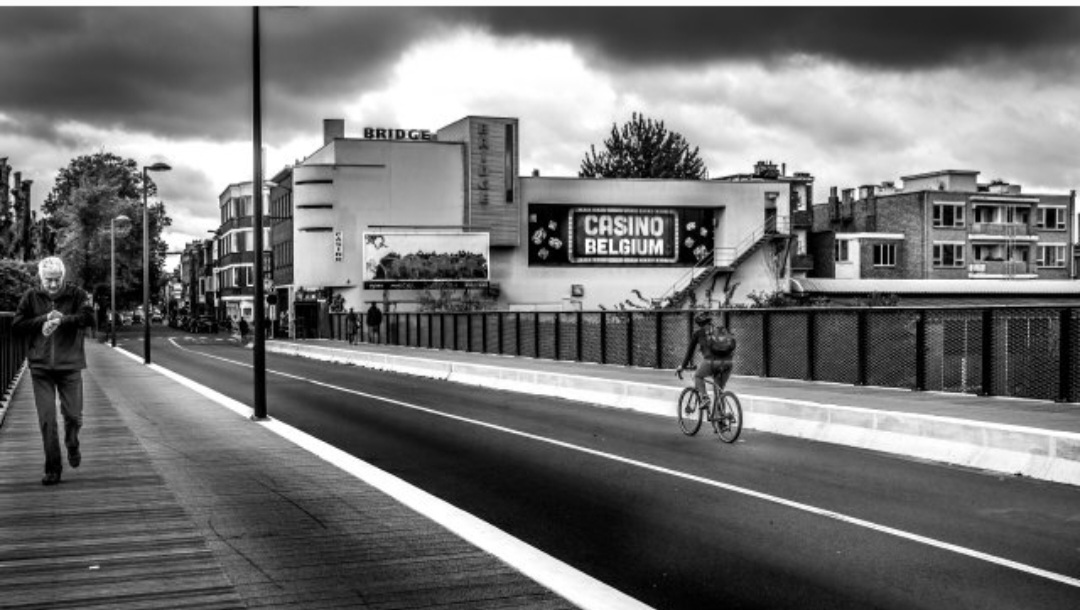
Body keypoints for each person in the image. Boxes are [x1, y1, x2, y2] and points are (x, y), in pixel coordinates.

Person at [13, 257, 95, 486]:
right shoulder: (30, 297)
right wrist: (43, 319)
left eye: (57, 279)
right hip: (40, 367)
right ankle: (53, 468)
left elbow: (89, 318)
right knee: (47, 419)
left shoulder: (77, 294)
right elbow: (17, 325)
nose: (52, 285)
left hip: (70, 366)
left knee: (73, 416)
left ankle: (72, 442)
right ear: (41, 278)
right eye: (48, 280)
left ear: (63, 276)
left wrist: (62, 320)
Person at [676, 311, 736, 413]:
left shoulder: (698, 334)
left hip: (711, 362)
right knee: (719, 392)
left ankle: (705, 398)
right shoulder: (721, 331)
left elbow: (689, 352)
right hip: (728, 363)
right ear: (710, 321)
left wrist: (683, 366)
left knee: (698, 376)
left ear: (698, 324)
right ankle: (721, 422)